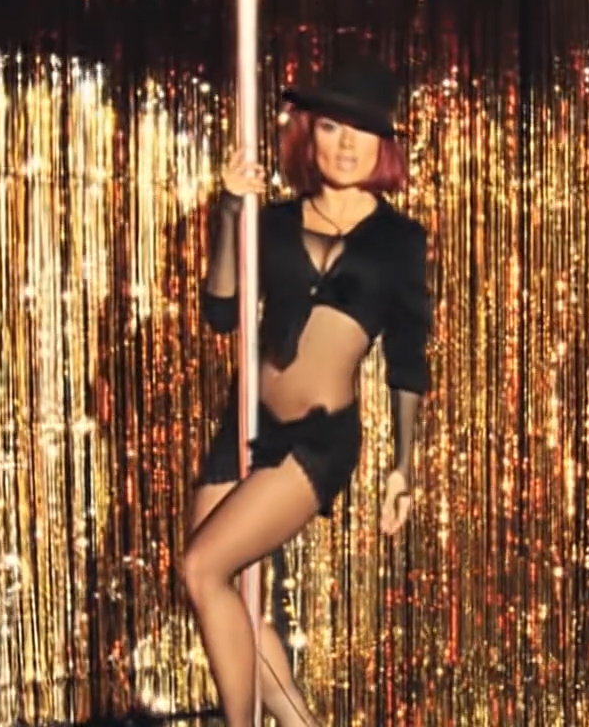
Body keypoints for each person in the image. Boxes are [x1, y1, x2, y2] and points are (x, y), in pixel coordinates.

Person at [177, 55, 432, 727]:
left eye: (362, 130)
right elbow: (221, 312)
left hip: (318, 437)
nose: (346, 144)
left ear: (384, 144)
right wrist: (230, 210)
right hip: (244, 425)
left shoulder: (401, 241)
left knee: (203, 568)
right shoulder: (272, 221)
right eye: (330, 127)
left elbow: (407, 360)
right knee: (234, 601)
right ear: (307, 135)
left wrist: (403, 466)